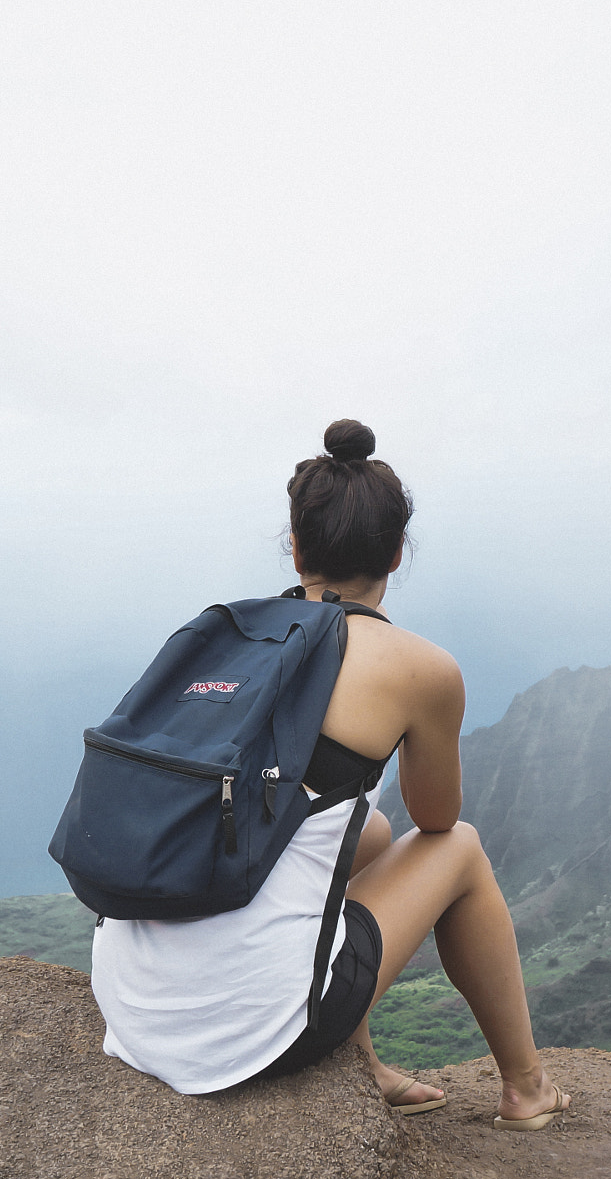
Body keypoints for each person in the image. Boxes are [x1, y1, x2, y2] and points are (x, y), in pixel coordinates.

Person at [88, 419, 570, 1129]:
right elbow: (435, 821)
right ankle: (527, 1088)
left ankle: (365, 1067)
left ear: (296, 544)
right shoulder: (419, 667)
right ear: (397, 553)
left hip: (130, 1001)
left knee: (365, 835)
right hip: (249, 1033)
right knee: (460, 847)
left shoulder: (230, 637)